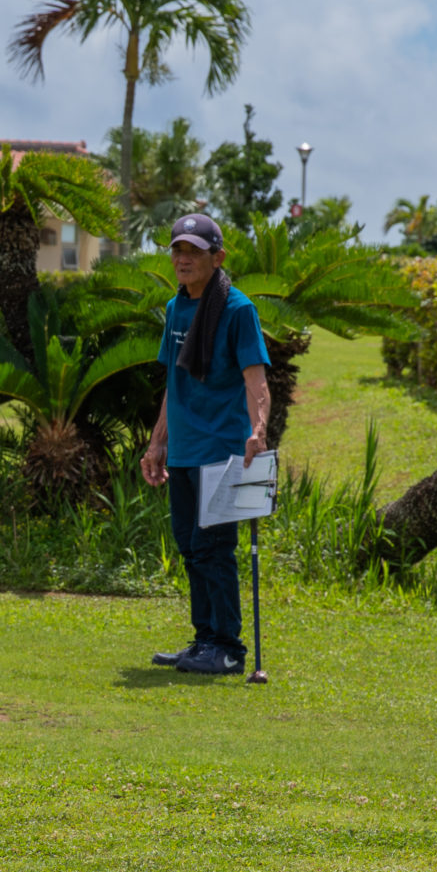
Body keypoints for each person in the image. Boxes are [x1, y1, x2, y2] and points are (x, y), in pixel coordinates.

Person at [139, 211, 272, 677]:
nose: (183, 258)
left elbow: (256, 379)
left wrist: (259, 429)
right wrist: (157, 443)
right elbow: (174, 384)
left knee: (214, 550)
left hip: (222, 451)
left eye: (193, 251)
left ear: (217, 257)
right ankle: (203, 641)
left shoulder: (238, 310)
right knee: (190, 547)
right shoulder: (176, 308)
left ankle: (228, 648)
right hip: (184, 450)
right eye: (178, 249)